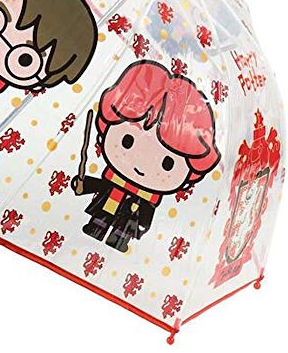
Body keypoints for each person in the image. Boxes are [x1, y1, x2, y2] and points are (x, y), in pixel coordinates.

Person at [71, 60, 221, 252]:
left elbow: (146, 212)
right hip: (106, 206)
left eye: (167, 164)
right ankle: (95, 230)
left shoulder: (148, 196)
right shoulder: (114, 178)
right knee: (100, 220)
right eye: (127, 141)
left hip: (130, 217)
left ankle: (118, 243)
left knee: (123, 230)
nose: (141, 165)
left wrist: (142, 224)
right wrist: (83, 185)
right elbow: (102, 186)